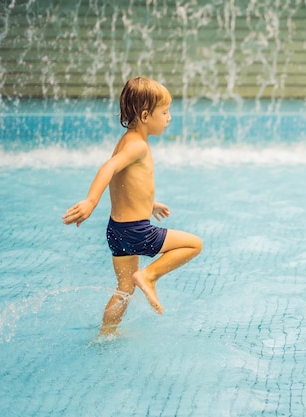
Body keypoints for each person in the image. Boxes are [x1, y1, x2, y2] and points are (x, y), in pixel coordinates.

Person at [62, 76, 202, 335]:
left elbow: (124, 181)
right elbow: (110, 167)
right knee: (194, 244)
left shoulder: (126, 140)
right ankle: (149, 276)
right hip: (137, 232)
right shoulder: (138, 146)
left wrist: (149, 204)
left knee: (124, 288)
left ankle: (106, 333)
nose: (169, 117)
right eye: (165, 112)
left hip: (117, 231)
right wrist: (91, 200)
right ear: (146, 115)